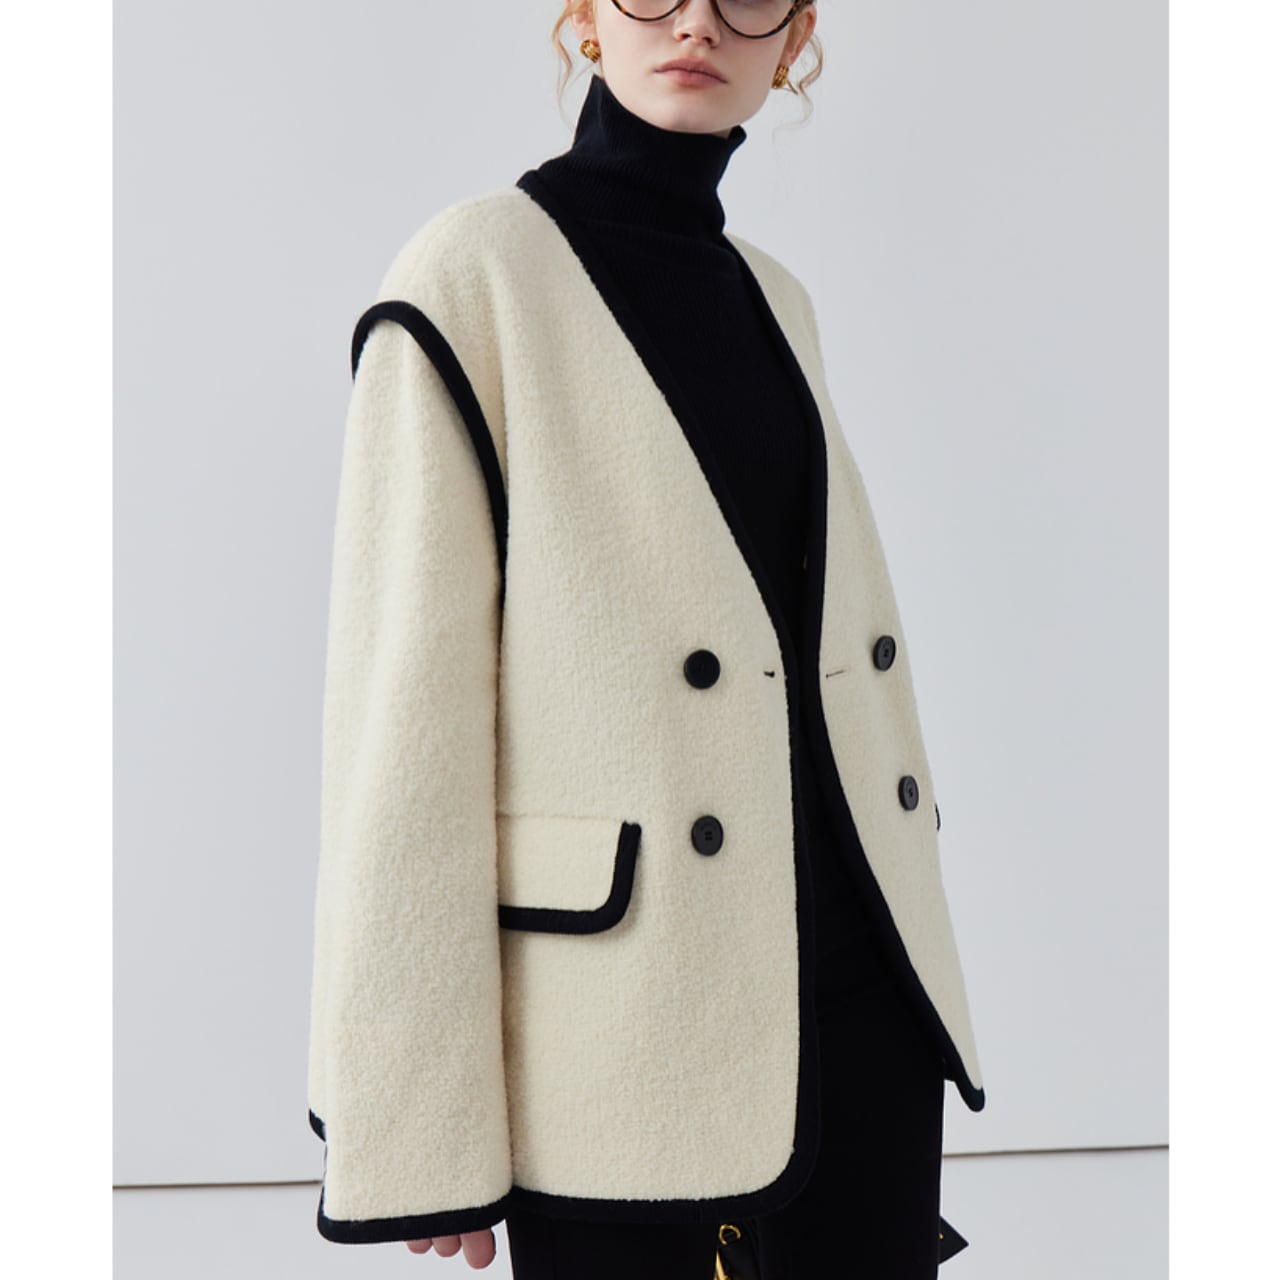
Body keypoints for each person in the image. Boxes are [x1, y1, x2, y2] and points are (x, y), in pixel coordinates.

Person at [306, 3, 986, 1277]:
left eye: (746, 0)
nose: (695, 24)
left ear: (793, 39)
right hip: (628, 1032)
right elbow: (404, 727)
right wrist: (415, 1120)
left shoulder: (773, 296)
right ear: (582, 18)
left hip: (861, 1005)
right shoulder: (473, 276)